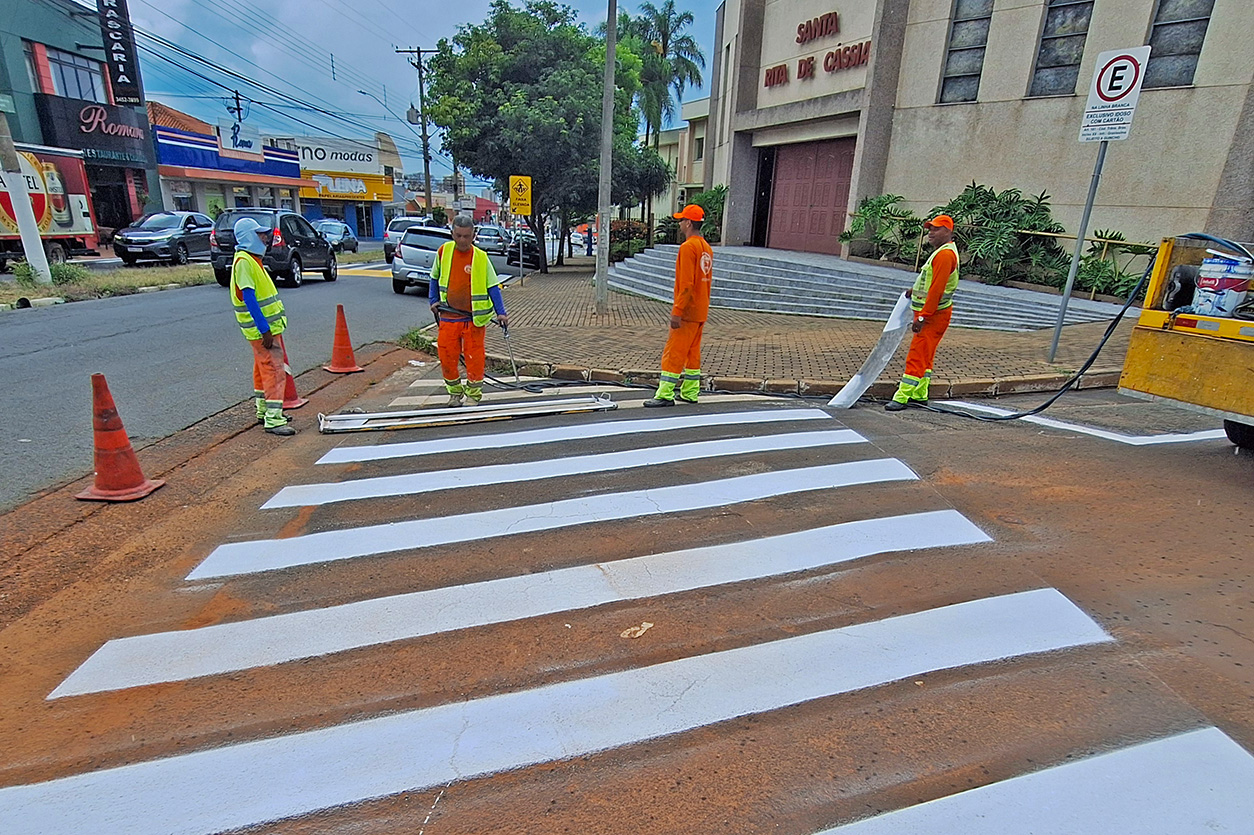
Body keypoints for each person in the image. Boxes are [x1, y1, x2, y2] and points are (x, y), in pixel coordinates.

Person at [429, 215, 509, 406]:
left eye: (467, 236)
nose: (462, 240)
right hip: (449, 316)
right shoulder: (443, 252)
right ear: (452, 234)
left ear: (473, 235)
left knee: (474, 358)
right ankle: (454, 393)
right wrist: (433, 300)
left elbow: (492, 287)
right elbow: (434, 277)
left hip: (474, 319)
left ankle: (473, 394)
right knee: (447, 356)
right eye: (458, 236)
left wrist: (501, 312)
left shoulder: (481, 258)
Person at [886, 214, 960, 411]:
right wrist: (914, 291)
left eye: (936, 229)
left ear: (947, 231)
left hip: (933, 315)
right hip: (935, 313)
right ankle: (920, 393)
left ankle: (901, 396)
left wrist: (922, 316)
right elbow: (929, 283)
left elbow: (936, 290)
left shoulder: (944, 255)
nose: (931, 233)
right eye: (930, 229)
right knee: (926, 355)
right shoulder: (943, 252)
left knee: (917, 354)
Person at [229, 217, 295, 436]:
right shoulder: (245, 262)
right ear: (248, 237)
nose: (265, 238)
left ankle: (264, 411)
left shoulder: (249, 259)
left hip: (262, 330)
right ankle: (274, 419)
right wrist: (264, 329)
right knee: (275, 371)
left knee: (262, 369)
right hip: (263, 331)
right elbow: (249, 297)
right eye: (260, 234)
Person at [644, 204, 713, 407]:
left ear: (689, 223)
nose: (680, 223)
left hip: (688, 312)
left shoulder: (687, 247)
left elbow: (686, 285)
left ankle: (665, 394)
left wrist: (677, 311)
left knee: (674, 352)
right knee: (693, 354)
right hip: (700, 310)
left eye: (682, 220)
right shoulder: (706, 248)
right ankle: (690, 392)